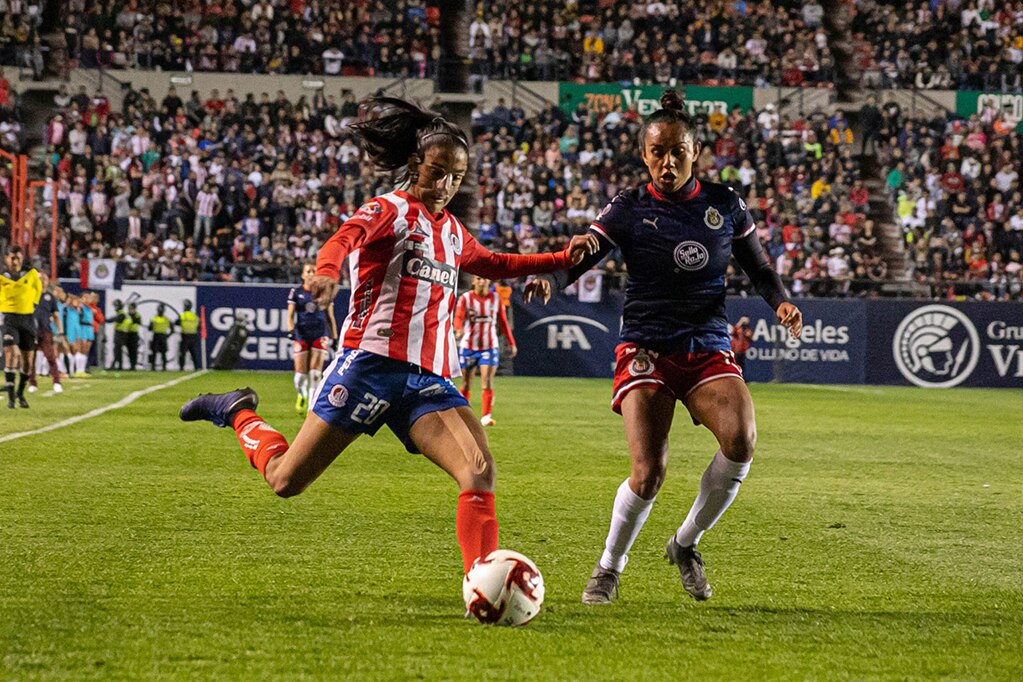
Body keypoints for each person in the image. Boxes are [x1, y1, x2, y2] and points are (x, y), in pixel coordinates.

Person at [180, 96, 591, 580]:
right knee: (286, 479)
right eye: (438, 172)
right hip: (369, 366)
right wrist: (327, 272)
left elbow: (496, 263)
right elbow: (342, 239)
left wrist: (560, 259)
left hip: (428, 380)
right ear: (416, 164)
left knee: (479, 470)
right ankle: (237, 411)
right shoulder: (388, 209)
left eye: (456, 177)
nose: (445, 185)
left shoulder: (452, 232)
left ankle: (481, 585)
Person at [532, 91, 803, 604]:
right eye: (658, 152)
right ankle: (609, 567)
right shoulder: (629, 206)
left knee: (741, 440)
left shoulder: (724, 203)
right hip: (647, 346)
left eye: (678, 151)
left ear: (695, 152)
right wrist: (553, 277)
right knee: (648, 474)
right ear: (644, 154)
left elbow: (760, 268)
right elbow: (586, 252)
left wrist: (781, 302)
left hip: (706, 344)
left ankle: (685, 543)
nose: (668, 162)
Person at [453, 275, 517, 426]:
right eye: (479, 279)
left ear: (489, 281)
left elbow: (503, 321)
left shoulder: (496, 298)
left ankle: (486, 416)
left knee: (487, 382)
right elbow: (458, 316)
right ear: (473, 281)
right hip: (469, 347)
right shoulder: (466, 298)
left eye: (485, 279)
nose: (482, 281)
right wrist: (458, 329)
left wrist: (511, 342)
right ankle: (463, 414)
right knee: (466, 383)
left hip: (489, 346)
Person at [287, 263, 339, 413]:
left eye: (314, 271)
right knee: (300, 375)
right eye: (308, 271)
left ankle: (311, 407)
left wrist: (334, 338)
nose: (311, 274)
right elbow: (290, 315)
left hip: (320, 333)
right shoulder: (296, 292)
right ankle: (302, 394)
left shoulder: (324, 292)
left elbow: (330, 317)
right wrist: (291, 330)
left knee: (315, 373)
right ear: (303, 275)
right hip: (301, 334)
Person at [1, 247, 43, 408]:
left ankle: (20, 393)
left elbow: (38, 288)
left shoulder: (31, 274)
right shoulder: (2, 275)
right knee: (11, 353)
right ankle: (11, 397)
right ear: (6, 258)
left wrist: (34, 303)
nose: (15, 261)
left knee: (27, 361)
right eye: (12, 258)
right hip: (9, 318)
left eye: (18, 258)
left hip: (27, 319)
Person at [28, 272, 64, 394]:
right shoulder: (29, 295)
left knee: (50, 356)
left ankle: (56, 382)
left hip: (45, 330)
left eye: (45, 279)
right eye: (40, 279)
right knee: (30, 359)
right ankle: (32, 383)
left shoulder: (50, 297)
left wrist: (60, 331)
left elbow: (56, 315)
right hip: (31, 330)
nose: (43, 281)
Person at [176, 300, 202, 370]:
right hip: (193, 336)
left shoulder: (183, 315)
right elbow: (199, 326)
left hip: (185, 336)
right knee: (193, 353)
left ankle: (181, 367)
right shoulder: (195, 316)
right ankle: (196, 367)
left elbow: (177, 322)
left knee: (183, 353)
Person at [149, 303, 171, 371]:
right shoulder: (164, 319)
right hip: (158, 336)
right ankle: (154, 366)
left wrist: (167, 336)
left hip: (160, 336)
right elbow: (150, 328)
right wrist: (167, 335)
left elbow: (149, 328)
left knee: (162, 352)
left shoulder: (155, 318)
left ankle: (162, 367)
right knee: (156, 352)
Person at [110, 299, 130, 370]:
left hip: (120, 334)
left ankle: (114, 365)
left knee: (117, 350)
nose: (115, 308)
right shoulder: (120, 313)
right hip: (120, 333)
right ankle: (119, 366)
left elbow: (113, 319)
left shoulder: (121, 314)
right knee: (118, 350)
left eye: (115, 306)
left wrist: (104, 320)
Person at [125, 302, 142, 370]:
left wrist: (132, 316)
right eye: (129, 308)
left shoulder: (137, 315)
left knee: (134, 350)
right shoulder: (127, 315)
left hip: (134, 334)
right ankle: (131, 364)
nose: (130, 309)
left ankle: (133, 365)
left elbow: (138, 321)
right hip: (127, 333)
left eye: (131, 308)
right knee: (129, 350)